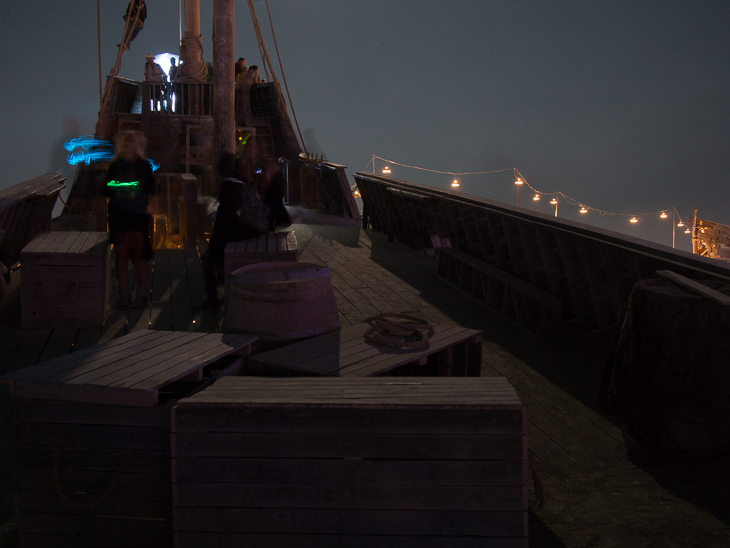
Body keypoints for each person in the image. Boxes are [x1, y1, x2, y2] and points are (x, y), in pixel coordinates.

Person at [202, 153, 269, 308]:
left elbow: (228, 214)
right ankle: (222, 285)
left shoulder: (229, 185)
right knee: (216, 256)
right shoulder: (244, 184)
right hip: (246, 230)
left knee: (207, 260)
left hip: (232, 231)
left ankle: (213, 298)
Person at [102, 131, 156, 310]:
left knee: (140, 255)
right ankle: (124, 295)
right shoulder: (116, 165)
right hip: (119, 213)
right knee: (121, 254)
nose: (135, 145)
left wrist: (121, 186)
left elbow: (150, 188)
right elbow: (107, 188)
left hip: (137, 214)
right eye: (131, 142)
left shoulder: (143, 166)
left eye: (137, 142)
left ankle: (141, 295)